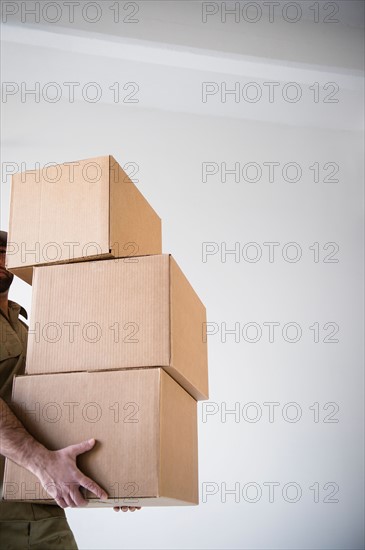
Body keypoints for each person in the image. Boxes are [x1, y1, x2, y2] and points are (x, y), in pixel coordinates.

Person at [0, 230, 139, 549]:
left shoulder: (26, 326)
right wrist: (41, 463)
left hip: (42, 507)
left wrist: (120, 473)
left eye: (4, 251)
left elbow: (57, 407)